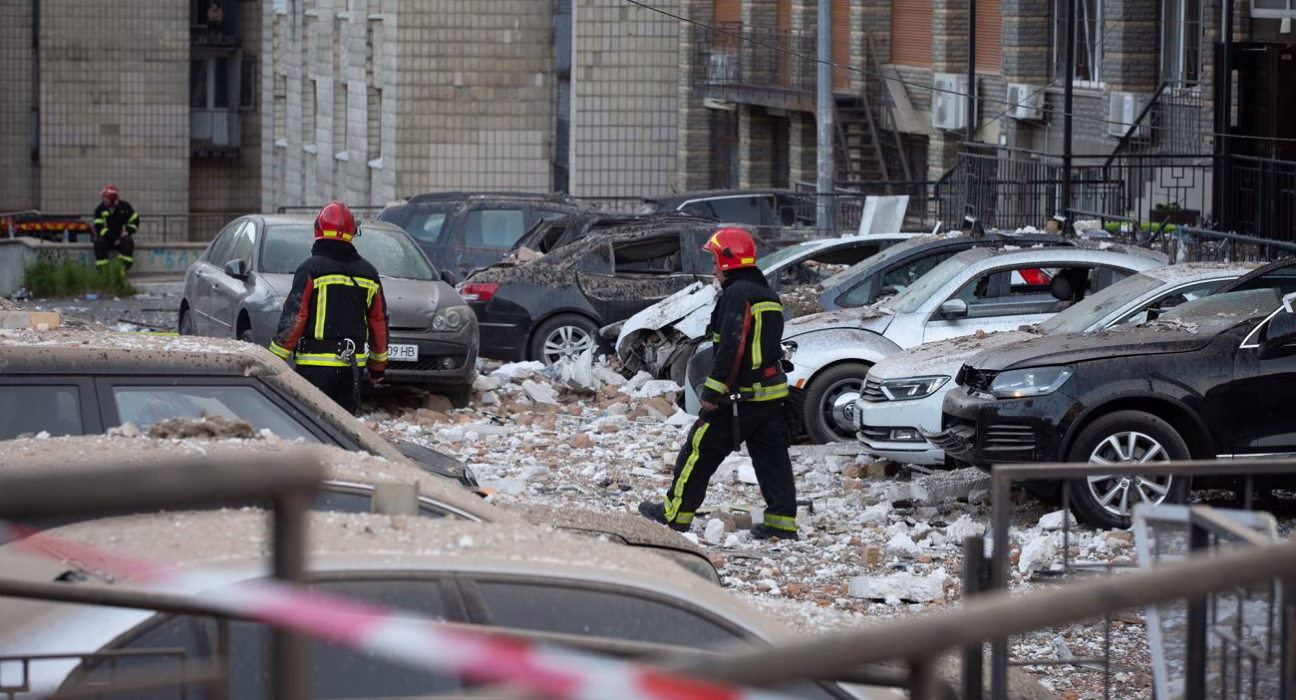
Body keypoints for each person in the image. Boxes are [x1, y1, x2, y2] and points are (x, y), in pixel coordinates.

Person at [638, 226, 799, 541]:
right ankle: (781, 521)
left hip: (740, 397)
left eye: (715, 260)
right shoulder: (767, 294)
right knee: (771, 458)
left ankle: (674, 514)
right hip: (770, 396)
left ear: (729, 260)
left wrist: (714, 389)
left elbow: (732, 346)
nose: (713, 267)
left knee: (698, 450)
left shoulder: (737, 295)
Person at [269, 201, 390, 415]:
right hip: (352, 368)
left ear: (318, 229)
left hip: (314, 368)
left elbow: (296, 317)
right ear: (353, 232)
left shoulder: (311, 268)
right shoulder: (369, 272)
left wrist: (273, 359)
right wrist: (378, 367)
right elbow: (378, 323)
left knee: (312, 425)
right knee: (343, 430)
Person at [92, 185, 139, 273]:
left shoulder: (124, 207)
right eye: (103, 197)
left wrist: (128, 232)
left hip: (121, 237)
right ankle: (103, 271)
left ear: (113, 199)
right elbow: (99, 228)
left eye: (107, 198)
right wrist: (113, 239)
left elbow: (135, 220)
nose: (104, 200)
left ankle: (122, 269)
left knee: (128, 241)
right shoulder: (99, 210)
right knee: (99, 242)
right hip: (106, 238)